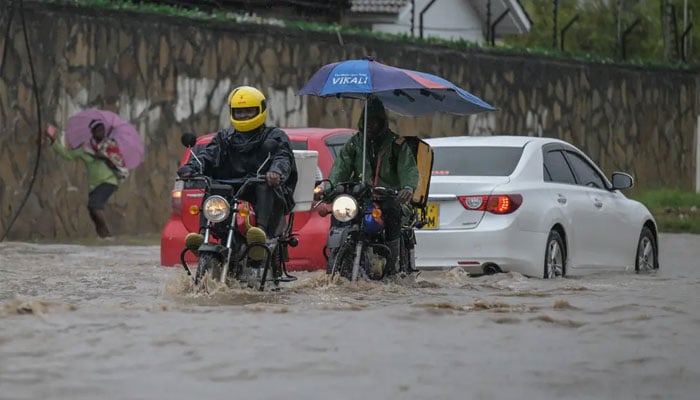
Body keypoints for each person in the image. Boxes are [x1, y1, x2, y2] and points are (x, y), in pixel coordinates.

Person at [177, 85, 298, 258]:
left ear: (261, 110)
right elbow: (208, 155)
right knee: (213, 188)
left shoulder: (274, 136)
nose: (244, 115)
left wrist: (276, 172)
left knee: (263, 185)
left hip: (264, 191)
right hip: (230, 191)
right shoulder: (224, 137)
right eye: (239, 112)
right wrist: (191, 168)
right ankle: (202, 234)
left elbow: (282, 157)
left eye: (249, 111)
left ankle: (259, 236)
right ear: (232, 113)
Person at [322, 95, 419, 276]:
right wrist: (329, 188)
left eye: (376, 121)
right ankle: (337, 257)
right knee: (339, 212)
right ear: (362, 121)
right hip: (359, 197)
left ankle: (392, 264)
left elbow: (408, 169)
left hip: (388, 197)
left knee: (392, 211)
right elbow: (340, 168)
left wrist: (407, 188)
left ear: (383, 122)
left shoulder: (396, 144)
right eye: (368, 121)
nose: (372, 125)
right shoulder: (354, 143)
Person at [43, 120, 128, 239]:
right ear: (92, 132)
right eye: (98, 130)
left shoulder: (110, 145)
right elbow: (67, 155)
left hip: (109, 181)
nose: (101, 133)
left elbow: (118, 161)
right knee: (91, 209)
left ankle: (108, 235)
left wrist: (105, 157)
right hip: (95, 185)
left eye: (102, 130)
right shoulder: (85, 149)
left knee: (94, 205)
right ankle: (102, 236)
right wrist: (53, 141)